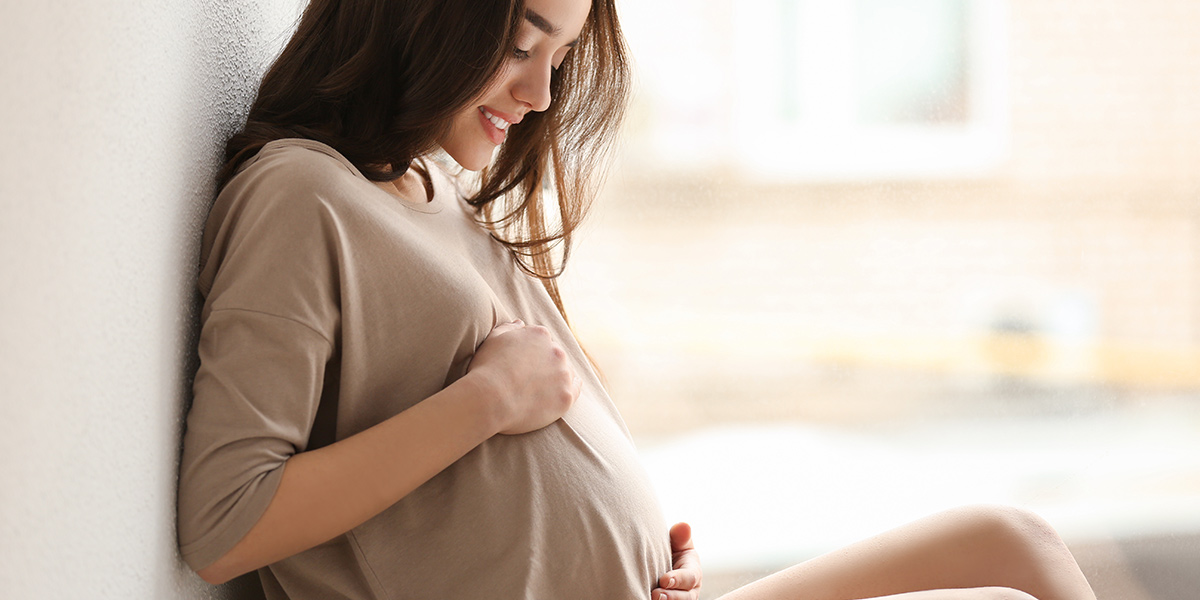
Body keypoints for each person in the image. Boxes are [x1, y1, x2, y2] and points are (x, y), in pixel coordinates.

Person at [176, 0, 1099, 599]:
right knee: (1012, 552)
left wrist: (647, 552)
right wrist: (487, 402)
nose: (540, 93)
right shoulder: (301, 196)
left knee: (1014, 546)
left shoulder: (438, 194)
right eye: (521, 43)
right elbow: (225, 526)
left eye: (562, 57)